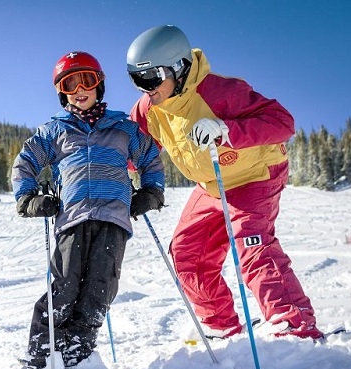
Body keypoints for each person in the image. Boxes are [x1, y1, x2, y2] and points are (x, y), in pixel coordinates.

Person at [126, 25, 323, 340]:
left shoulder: (220, 92)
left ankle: (295, 326)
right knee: (188, 252)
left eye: (150, 78)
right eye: (136, 79)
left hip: (255, 174)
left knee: (252, 246)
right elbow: (132, 150)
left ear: (178, 68)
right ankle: (222, 329)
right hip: (211, 184)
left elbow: (282, 122)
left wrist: (226, 130)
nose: (144, 88)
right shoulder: (150, 109)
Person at [12, 51, 165, 369]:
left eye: (88, 81)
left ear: (100, 85)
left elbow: (151, 160)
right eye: (70, 83)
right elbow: (24, 163)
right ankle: (41, 359)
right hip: (73, 218)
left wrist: (151, 192)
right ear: (62, 92)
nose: (80, 89)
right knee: (65, 286)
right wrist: (28, 198)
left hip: (114, 218)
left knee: (100, 288)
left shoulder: (123, 128)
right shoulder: (55, 130)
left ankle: (79, 353)